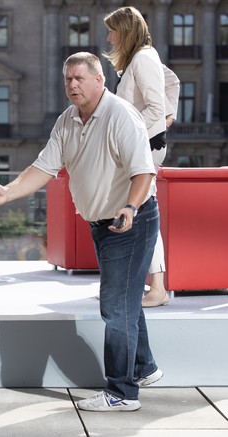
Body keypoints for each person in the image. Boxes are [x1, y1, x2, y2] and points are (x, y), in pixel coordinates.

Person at [0, 52, 162, 411]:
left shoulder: (120, 115)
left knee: (115, 307)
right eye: (68, 79)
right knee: (126, 300)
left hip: (132, 220)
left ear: (100, 80)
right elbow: (44, 167)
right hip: (102, 224)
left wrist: (130, 207)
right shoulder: (67, 120)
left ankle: (122, 393)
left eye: (80, 78)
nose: (72, 85)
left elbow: (144, 171)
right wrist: (8, 192)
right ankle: (144, 368)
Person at [103, 6, 180, 308]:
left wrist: (128, 135)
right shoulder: (143, 58)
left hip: (143, 148)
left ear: (126, 31)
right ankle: (133, 285)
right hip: (141, 146)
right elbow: (171, 82)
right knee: (137, 211)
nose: (108, 38)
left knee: (142, 212)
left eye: (112, 31)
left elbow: (154, 109)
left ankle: (157, 288)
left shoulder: (143, 58)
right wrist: (167, 116)